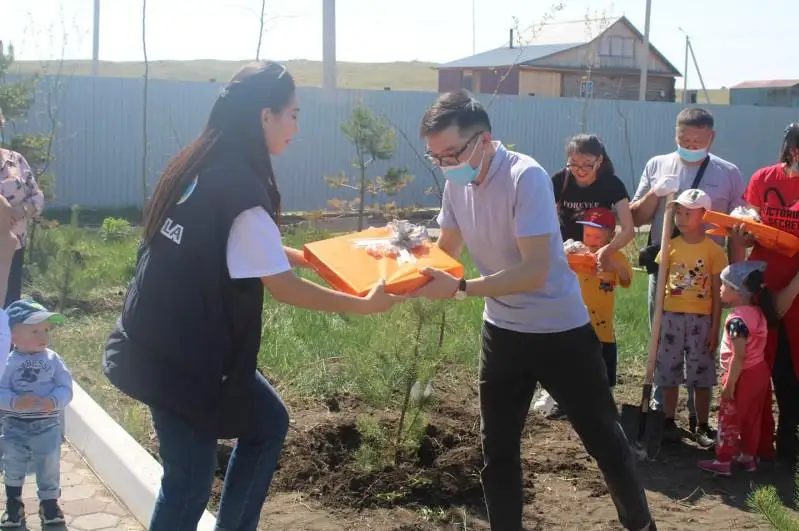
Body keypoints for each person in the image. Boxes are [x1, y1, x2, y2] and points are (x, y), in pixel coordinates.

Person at [101, 62, 404, 531]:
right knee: (189, 481)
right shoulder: (241, 187)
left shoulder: (199, 164)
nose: (296, 128)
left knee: (265, 425)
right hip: (182, 361)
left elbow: (234, 243)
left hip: (158, 339)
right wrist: (365, 304)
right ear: (266, 116)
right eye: (294, 115)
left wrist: (308, 256)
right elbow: (282, 287)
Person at [413, 89, 654, 531]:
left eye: (451, 153)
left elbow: (535, 271)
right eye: (437, 157)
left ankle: (640, 524)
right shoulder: (455, 182)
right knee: (497, 449)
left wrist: (462, 287)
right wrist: (399, 262)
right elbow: (445, 251)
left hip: (559, 332)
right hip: (501, 333)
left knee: (603, 440)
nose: (446, 164)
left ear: (483, 139)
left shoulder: (526, 176)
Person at [630, 107, 746, 435]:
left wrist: (736, 278)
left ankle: (700, 418)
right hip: (665, 271)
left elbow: (737, 227)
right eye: (684, 139)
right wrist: (657, 192)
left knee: (702, 345)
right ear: (675, 135)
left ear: (711, 138)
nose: (690, 145)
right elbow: (637, 218)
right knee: (662, 339)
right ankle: (659, 413)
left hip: (708, 277)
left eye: (697, 140)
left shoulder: (728, 173)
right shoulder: (658, 165)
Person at [541, 134, 634, 420]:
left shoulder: (612, 185)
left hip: (598, 258)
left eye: (587, 165)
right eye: (574, 164)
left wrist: (609, 250)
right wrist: (558, 250)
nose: (579, 171)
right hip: (566, 258)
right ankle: (561, 398)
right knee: (561, 330)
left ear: (600, 161)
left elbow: (628, 228)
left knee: (596, 328)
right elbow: (542, 217)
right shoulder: (560, 181)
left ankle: (598, 398)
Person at [730, 123, 799, 463]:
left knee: (792, 372)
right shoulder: (764, 178)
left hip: (795, 289)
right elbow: (750, 231)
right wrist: (742, 238)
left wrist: (791, 291)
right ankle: (756, 447)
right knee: (756, 366)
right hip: (762, 285)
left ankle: (791, 446)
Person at [653, 189, 727, 448]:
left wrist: (715, 327)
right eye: (678, 213)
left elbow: (718, 296)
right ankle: (668, 420)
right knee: (669, 371)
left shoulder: (714, 251)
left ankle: (703, 424)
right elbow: (661, 286)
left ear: (704, 216)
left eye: (688, 213)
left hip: (701, 320)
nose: (681, 218)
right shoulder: (669, 246)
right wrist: (658, 322)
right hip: (672, 317)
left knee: (701, 373)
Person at [698, 261, 775, 476]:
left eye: (724, 285)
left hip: (742, 375)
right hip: (760, 372)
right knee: (752, 416)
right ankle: (748, 457)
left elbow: (738, 356)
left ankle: (723, 460)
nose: (720, 289)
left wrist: (729, 384)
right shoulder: (758, 312)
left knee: (729, 417)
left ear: (736, 291)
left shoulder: (736, 320)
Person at [0, 299, 72, 527]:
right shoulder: (7, 363)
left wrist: (55, 400)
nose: (43, 336)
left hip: (47, 426)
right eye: (34, 330)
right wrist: (14, 401)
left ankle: (49, 503)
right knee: (13, 463)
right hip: (15, 425)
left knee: (48, 464)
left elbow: (65, 387)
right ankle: (14, 503)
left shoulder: (53, 359)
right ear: (13, 336)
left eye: (46, 330)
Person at [575, 208, 633, 395]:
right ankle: (569, 403)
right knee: (576, 365)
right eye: (587, 234)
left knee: (603, 369)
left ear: (611, 237)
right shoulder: (577, 253)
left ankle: (605, 402)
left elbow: (626, 280)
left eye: (597, 236)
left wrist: (614, 266)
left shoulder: (615, 257)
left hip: (603, 327)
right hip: (577, 324)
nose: (591, 241)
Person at [0, 147, 44, 307]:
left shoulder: (16, 159)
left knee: (10, 302)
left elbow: (37, 197)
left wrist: (22, 210)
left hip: (15, 244)